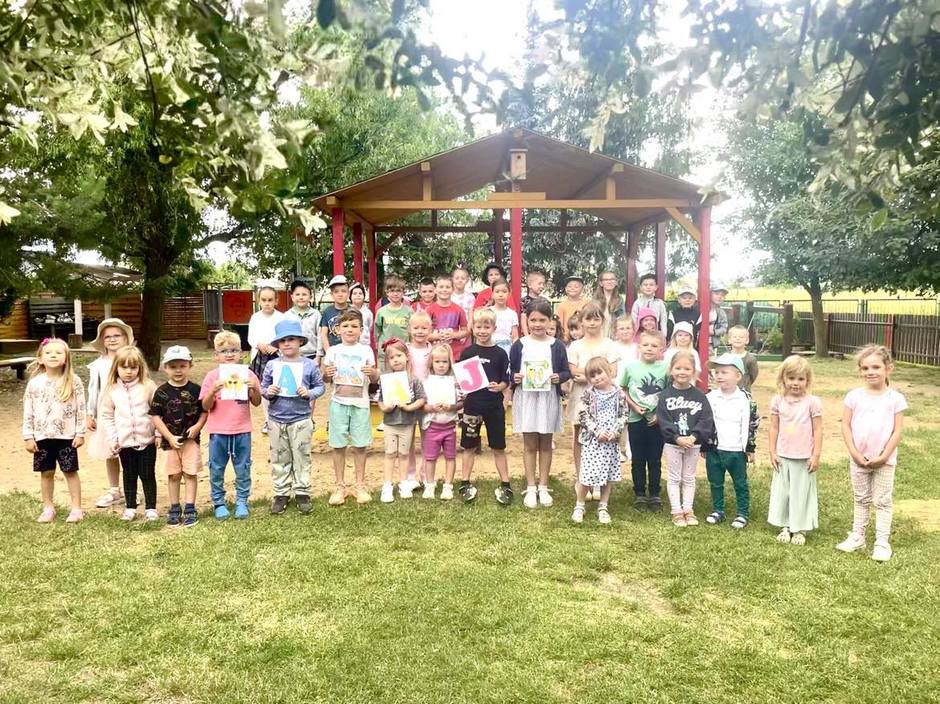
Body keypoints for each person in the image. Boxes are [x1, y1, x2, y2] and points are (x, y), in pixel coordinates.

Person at [836, 345, 907, 562]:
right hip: (859, 459)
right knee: (861, 498)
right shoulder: (854, 396)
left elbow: (898, 430)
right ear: (860, 370)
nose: (870, 372)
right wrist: (854, 453)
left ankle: (882, 542)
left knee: (883, 500)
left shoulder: (895, 399)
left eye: (876, 367)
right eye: (865, 368)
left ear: (888, 368)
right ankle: (858, 536)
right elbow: (846, 425)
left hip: (885, 461)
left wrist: (884, 456)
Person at [509, 299, 571, 509]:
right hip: (527, 398)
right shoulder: (519, 345)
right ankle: (531, 486)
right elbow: (511, 371)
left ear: (549, 321)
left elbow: (565, 371)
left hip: (547, 398)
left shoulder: (557, 345)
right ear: (527, 320)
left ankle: (543, 486)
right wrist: (515, 378)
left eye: (542, 320)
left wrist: (558, 377)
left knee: (545, 443)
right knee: (529, 444)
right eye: (533, 320)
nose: (537, 324)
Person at [262, 319, 326, 514]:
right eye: (282, 341)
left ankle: (302, 492)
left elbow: (320, 387)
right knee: (279, 457)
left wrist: (309, 393)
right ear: (277, 344)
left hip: (301, 418)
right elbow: (263, 388)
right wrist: (268, 392)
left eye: (291, 339)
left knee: (302, 456)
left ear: (300, 341)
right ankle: (281, 493)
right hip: (276, 419)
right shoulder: (272, 365)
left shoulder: (309, 365)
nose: (287, 344)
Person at [200, 330, 263, 520]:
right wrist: (212, 391)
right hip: (218, 431)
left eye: (234, 350)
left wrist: (254, 389)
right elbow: (205, 406)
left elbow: (257, 402)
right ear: (216, 355)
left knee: (243, 467)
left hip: (242, 429)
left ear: (241, 353)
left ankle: (242, 501)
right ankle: (219, 502)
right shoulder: (212, 377)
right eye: (224, 351)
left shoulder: (248, 374)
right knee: (216, 468)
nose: (229, 355)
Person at [22, 338, 85, 523]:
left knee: (70, 471)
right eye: (48, 353)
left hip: (67, 437)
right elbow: (28, 411)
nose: (53, 355)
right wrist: (28, 436)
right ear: (40, 358)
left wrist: (80, 432)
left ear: (66, 358)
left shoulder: (74, 381)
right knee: (47, 472)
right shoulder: (35, 383)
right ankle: (48, 508)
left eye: (58, 352)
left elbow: (81, 409)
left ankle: (76, 509)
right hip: (42, 437)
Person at [321, 309, 380, 505]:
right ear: (337, 329)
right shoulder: (333, 351)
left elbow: (374, 378)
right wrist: (327, 373)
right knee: (338, 445)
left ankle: (360, 485)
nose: (349, 329)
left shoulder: (366, 350)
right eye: (345, 326)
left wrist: (372, 372)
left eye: (354, 326)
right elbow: (325, 378)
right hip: (338, 403)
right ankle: (340, 486)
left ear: (361, 330)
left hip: (360, 404)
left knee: (360, 445)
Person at [458, 308, 512, 504]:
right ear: (473, 328)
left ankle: (505, 483)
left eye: (486, 327)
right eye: (478, 327)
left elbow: (506, 380)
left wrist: (500, 387)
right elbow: (462, 380)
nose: (482, 331)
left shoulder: (501, 353)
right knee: (469, 446)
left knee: (498, 446)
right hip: (472, 406)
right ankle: (465, 482)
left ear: (494, 328)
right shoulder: (468, 352)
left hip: (494, 407)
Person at [566, 302, 620, 500]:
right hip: (581, 396)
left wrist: (587, 376)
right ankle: (582, 478)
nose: (592, 323)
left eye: (596, 318)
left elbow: (613, 371)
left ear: (602, 321)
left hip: (605, 398)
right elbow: (573, 371)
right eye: (588, 319)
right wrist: (595, 373)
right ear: (581, 321)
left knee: (601, 437)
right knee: (580, 436)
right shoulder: (576, 345)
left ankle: (599, 480)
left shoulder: (609, 345)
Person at [149, 345, 207, 527]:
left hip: (190, 440)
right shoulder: (161, 392)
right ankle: (174, 507)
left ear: (190, 365)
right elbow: (155, 416)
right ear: (165, 368)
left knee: (190, 473)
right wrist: (168, 436)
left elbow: (204, 411)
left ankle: (190, 507)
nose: (178, 370)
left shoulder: (196, 390)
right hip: (171, 442)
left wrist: (198, 426)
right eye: (173, 367)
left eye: (182, 366)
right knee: (173, 474)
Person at [767, 355, 822, 545]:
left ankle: (799, 528)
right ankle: (785, 525)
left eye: (800, 379)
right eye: (791, 378)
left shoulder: (812, 402)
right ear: (783, 378)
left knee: (801, 493)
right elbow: (774, 427)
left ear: (807, 380)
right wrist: (772, 451)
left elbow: (818, 429)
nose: (795, 383)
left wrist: (816, 455)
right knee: (783, 492)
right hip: (783, 455)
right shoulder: (777, 401)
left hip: (804, 456)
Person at [99, 346, 158, 522]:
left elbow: (157, 411)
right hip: (124, 442)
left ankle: (151, 507)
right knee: (129, 474)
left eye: (133, 367)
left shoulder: (148, 386)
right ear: (116, 367)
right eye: (124, 367)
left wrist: (158, 434)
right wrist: (113, 439)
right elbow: (107, 415)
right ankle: (130, 507)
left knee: (147, 474)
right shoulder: (111, 389)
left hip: (147, 440)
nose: (129, 371)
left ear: (140, 367)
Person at [657, 350, 715, 527]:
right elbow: (663, 419)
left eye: (687, 368)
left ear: (693, 371)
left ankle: (688, 510)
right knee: (674, 477)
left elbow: (706, 418)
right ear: (671, 370)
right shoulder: (666, 395)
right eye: (678, 368)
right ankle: (676, 511)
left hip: (693, 444)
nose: (682, 372)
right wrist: (676, 437)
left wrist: (695, 436)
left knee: (689, 477)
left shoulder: (699, 395)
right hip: (673, 444)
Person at [572, 357, 630, 524]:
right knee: (587, 474)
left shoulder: (619, 394)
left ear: (609, 372)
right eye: (592, 376)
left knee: (608, 474)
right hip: (593, 441)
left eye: (600, 373)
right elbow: (583, 415)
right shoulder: (588, 394)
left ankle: (603, 506)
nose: (597, 378)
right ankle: (579, 505)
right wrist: (596, 431)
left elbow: (624, 415)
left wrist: (615, 431)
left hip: (610, 442)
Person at [704, 354, 758, 529]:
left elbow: (752, 423)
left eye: (724, 372)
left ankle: (742, 513)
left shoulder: (745, 399)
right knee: (715, 481)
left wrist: (750, 447)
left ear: (738, 376)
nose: (719, 376)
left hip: (736, 449)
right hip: (715, 448)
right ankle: (718, 510)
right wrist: (705, 444)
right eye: (717, 372)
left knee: (740, 483)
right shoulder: (710, 397)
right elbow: (705, 422)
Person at [87, 318, 134, 509]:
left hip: (129, 412)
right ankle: (114, 489)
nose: (112, 339)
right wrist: (90, 413)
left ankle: (133, 489)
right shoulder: (98, 365)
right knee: (110, 451)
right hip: (107, 414)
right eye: (107, 337)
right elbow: (93, 390)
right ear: (102, 340)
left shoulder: (132, 361)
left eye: (117, 335)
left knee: (132, 451)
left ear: (125, 338)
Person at [621, 329, 669, 510]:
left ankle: (655, 493)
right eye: (645, 345)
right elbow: (623, 389)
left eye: (654, 346)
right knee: (638, 458)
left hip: (657, 421)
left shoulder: (665, 368)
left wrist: (660, 414)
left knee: (655, 459)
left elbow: (669, 393)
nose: (649, 348)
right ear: (639, 347)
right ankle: (640, 493)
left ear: (661, 349)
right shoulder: (630, 367)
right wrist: (633, 406)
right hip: (636, 420)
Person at [376, 339, 426, 503]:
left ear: (407, 357)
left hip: (407, 423)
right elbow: (380, 400)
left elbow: (422, 399)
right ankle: (387, 485)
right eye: (392, 358)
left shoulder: (413, 379)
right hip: (390, 423)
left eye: (399, 355)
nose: (396, 360)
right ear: (388, 361)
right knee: (390, 453)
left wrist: (410, 407)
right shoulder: (386, 380)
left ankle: (404, 483)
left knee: (404, 454)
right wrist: (386, 408)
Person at [422, 343, 463, 499]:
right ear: (431, 363)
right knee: (430, 457)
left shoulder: (454, 382)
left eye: (445, 362)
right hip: (432, 426)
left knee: (450, 457)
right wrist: (432, 408)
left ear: (450, 363)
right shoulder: (426, 382)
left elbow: (461, 403)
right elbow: (422, 405)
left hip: (450, 426)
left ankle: (448, 486)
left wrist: (451, 407)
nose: (441, 365)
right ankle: (429, 485)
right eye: (437, 361)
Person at [403, 310, 434, 494]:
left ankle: (425, 474)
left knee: (427, 439)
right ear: (409, 329)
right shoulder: (405, 350)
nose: (420, 331)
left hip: (428, 400)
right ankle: (409, 476)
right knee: (408, 439)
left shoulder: (433, 350)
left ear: (430, 329)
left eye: (424, 328)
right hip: (409, 399)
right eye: (416, 328)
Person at [249, 286, 286, 433]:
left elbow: (284, 337)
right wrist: (259, 344)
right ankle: (267, 420)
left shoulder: (281, 317)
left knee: (278, 387)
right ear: (259, 301)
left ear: (276, 301)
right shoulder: (255, 317)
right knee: (264, 389)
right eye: (263, 300)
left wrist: (276, 347)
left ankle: (280, 418)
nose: (267, 303)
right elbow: (251, 337)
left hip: (278, 356)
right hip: (259, 357)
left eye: (270, 300)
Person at [428, 273, 470, 359]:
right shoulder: (429, 310)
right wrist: (438, 336)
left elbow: (465, 332)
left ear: (453, 289)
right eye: (441, 287)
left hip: (455, 354)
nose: (444, 290)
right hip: (435, 354)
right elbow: (425, 334)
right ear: (435, 290)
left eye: (447, 287)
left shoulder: (459, 310)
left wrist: (453, 335)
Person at [374, 275, 413, 366]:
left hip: (403, 352)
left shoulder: (409, 311)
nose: (395, 294)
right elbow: (377, 331)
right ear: (387, 292)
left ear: (403, 292)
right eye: (392, 291)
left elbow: (412, 332)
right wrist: (378, 345)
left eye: (398, 291)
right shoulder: (381, 312)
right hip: (385, 352)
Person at [285, 279, 320, 360]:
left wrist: (319, 355)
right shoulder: (287, 315)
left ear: (310, 297)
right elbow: (284, 336)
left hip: (312, 355)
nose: (301, 297)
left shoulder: (316, 314)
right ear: (292, 297)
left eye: (304, 294)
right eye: (297, 294)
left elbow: (320, 336)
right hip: (292, 355)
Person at [319, 274, 351, 357]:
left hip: (349, 353)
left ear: (348, 293)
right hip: (332, 353)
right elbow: (324, 335)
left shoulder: (353, 311)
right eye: (336, 292)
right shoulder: (327, 312)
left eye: (343, 291)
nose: (340, 294)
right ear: (332, 294)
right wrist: (329, 353)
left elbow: (357, 333)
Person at [489, 277, 519, 355]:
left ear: (509, 294)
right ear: (492, 294)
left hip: (507, 347)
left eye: (504, 292)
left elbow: (515, 337)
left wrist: (514, 351)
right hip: (490, 346)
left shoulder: (512, 314)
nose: (501, 295)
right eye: (497, 292)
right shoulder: (488, 312)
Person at [592, 270, 625, 338]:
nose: (609, 282)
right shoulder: (595, 299)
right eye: (606, 279)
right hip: (598, 331)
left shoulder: (619, 300)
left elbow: (622, 318)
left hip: (612, 332)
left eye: (612, 279)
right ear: (601, 283)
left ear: (616, 282)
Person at [727, 325, 759, 393]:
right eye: (734, 337)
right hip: (727, 391)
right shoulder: (725, 358)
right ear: (729, 340)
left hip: (744, 393)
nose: (738, 339)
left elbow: (753, 375)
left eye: (741, 337)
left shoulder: (751, 359)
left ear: (747, 340)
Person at [520, 268, 548, 335]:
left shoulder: (544, 301)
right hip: (529, 334)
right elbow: (523, 319)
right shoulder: (524, 301)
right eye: (539, 284)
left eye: (543, 284)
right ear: (530, 285)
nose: (542, 286)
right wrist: (526, 336)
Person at [704, 282, 729, 354]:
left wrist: (714, 332)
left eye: (722, 295)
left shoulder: (721, 312)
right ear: (710, 294)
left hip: (712, 343)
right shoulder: (701, 308)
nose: (719, 297)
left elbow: (724, 328)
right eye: (717, 294)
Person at [348, 281, 374, 347]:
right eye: (354, 293)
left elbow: (370, 327)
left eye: (360, 293)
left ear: (364, 296)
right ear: (350, 297)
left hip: (364, 344)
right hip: (350, 343)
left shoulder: (368, 313)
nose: (358, 295)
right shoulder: (347, 311)